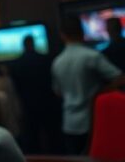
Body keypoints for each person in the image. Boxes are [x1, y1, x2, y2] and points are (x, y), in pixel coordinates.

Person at [52, 15, 125, 154]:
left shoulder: (57, 62)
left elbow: (58, 92)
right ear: (81, 32)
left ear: (62, 35)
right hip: (92, 122)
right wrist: (102, 91)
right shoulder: (92, 56)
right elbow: (121, 78)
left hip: (69, 123)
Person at [7, 36, 62, 153]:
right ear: (33, 44)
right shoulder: (47, 59)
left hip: (27, 105)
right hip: (48, 103)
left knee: (32, 138)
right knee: (53, 136)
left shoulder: (15, 64)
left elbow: (15, 89)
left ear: (23, 45)